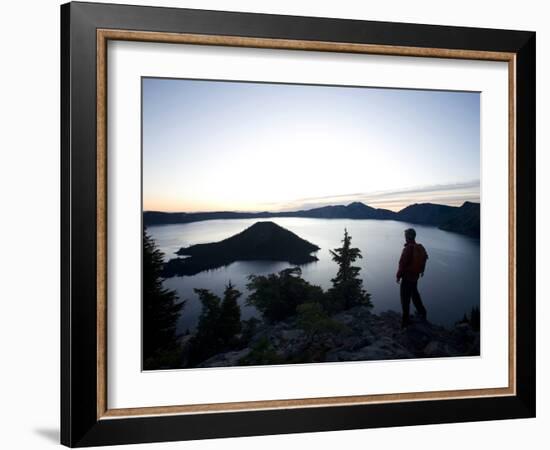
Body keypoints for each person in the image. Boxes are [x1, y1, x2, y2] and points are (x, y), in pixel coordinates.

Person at [396, 228, 428, 329]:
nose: (405, 238)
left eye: (405, 236)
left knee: (405, 299)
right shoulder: (419, 247)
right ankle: (422, 312)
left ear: (408, 237)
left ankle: (405, 321)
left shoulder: (408, 248)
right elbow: (425, 258)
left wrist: (398, 276)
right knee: (415, 294)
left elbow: (402, 264)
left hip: (407, 277)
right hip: (415, 276)